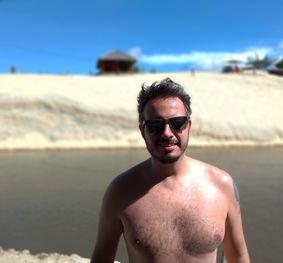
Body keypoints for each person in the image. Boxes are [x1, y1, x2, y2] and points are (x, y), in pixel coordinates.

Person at [91, 78, 250, 263]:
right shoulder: (120, 191)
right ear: (143, 131)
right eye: (156, 126)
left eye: (177, 123)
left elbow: (238, 256)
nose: (167, 133)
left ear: (188, 126)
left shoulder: (222, 185)